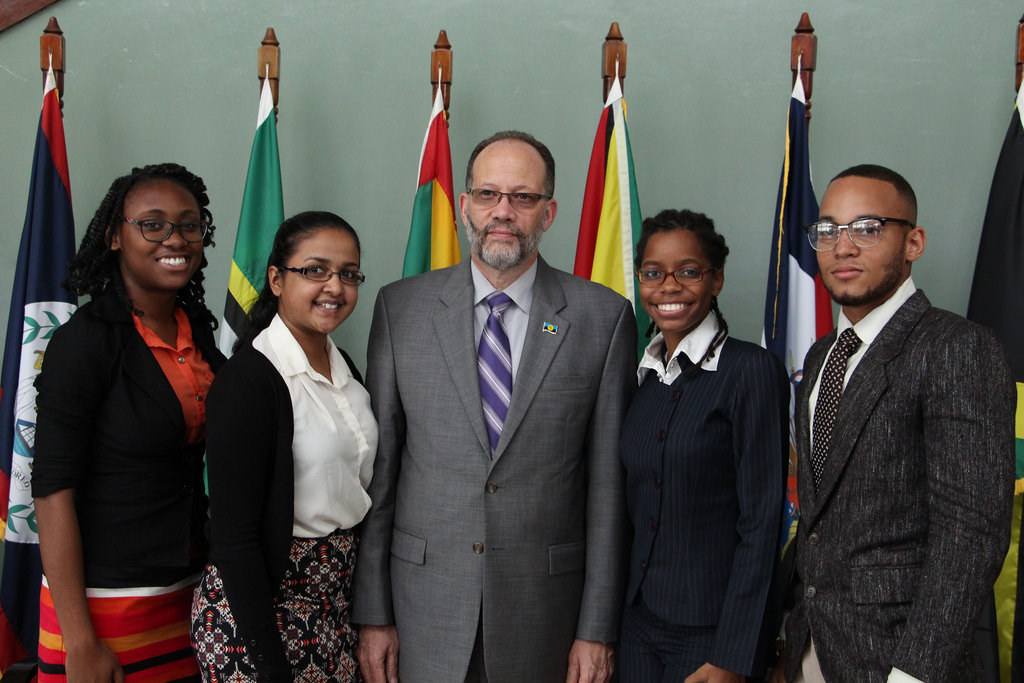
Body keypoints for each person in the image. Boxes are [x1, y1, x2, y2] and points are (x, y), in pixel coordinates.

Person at [353, 130, 636, 683]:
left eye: (522, 197)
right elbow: (381, 477)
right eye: (487, 195)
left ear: (548, 212)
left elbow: (607, 490)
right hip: (422, 608)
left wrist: (597, 629)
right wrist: (373, 612)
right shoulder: (400, 309)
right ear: (464, 206)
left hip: (545, 612)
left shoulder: (603, 318)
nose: (502, 212)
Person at [781, 165, 1015, 682]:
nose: (842, 247)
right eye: (827, 230)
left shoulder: (957, 348)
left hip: (900, 661)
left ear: (913, 242)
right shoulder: (822, 356)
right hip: (811, 649)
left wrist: (913, 673)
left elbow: (971, 534)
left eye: (866, 228)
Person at [33, 163, 224, 681]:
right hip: (102, 603)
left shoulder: (200, 333)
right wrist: (79, 641)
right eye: (154, 224)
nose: (175, 238)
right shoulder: (85, 342)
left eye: (189, 224)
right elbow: (51, 492)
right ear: (116, 235)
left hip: (187, 592)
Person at [190, 211, 376, 682]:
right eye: (315, 270)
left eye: (348, 274)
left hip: (333, 605)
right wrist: (269, 667)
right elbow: (234, 539)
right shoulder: (249, 381)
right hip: (259, 614)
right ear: (276, 278)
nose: (335, 287)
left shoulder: (345, 367)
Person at [620, 209, 788, 682]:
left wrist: (733, 654)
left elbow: (762, 522)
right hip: (637, 625)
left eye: (688, 271)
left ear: (716, 280)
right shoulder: (644, 376)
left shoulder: (749, 371)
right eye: (653, 273)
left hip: (710, 635)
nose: (668, 286)